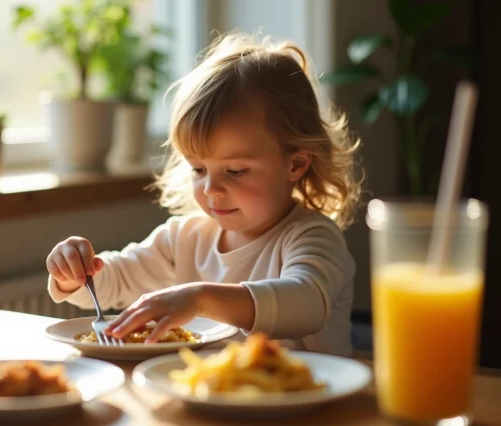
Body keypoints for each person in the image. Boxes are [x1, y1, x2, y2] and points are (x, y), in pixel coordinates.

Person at [46, 33, 363, 356]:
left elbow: (306, 304)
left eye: (235, 171)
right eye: (198, 169)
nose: (211, 188)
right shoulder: (185, 238)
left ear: (295, 164)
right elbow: (116, 281)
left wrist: (199, 298)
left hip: (314, 398)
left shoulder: (313, 236)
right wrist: (74, 273)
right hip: (213, 398)